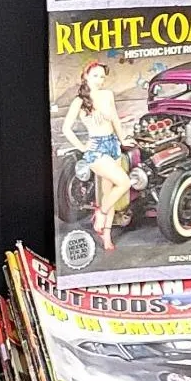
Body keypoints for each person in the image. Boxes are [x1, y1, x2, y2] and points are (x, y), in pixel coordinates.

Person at [61, 61, 128, 250]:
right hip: (96, 148)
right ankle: (101, 213)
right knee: (124, 183)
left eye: (102, 77)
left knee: (110, 193)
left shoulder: (108, 95)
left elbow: (115, 119)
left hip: (113, 145)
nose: (99, 80)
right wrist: (83, 147)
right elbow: (66, 128)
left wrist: (123, 140)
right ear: (86, 76)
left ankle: (106, 236)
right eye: (95, 76)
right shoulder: (79, 101)